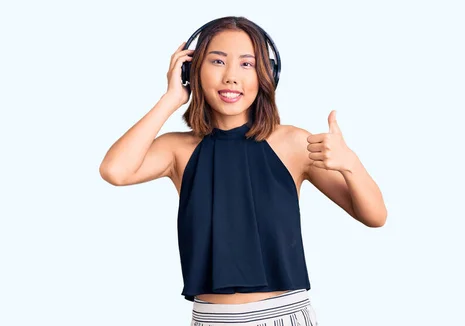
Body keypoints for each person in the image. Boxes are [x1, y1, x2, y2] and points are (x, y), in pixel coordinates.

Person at [99, 16, 387, 326]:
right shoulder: (177, 150)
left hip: (282, 316)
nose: (231, 77)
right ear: (191, 70)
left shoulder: (292, 143)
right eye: (218, 61)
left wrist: (350, 164)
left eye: (246, 64)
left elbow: (375, 216)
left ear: (266, 74)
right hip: (210, 319)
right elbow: (115, 170)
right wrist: (171, 99)